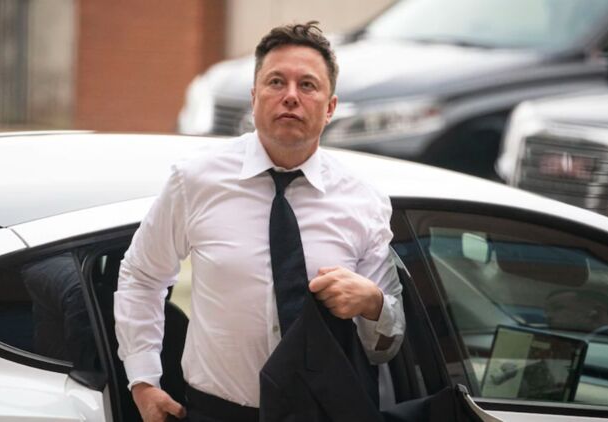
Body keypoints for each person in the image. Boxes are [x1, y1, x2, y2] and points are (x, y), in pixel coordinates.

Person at [114, 21, 405, 422]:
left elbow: (386, 345)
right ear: (254, 98)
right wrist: (143, 381)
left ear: (330, 107)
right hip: (217, 412)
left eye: (307, 85)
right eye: (276, 82)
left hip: (324, 413)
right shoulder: (195, 181)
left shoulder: (364, 201)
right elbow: (141, 275)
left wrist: (373, 304)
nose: (290, 96)